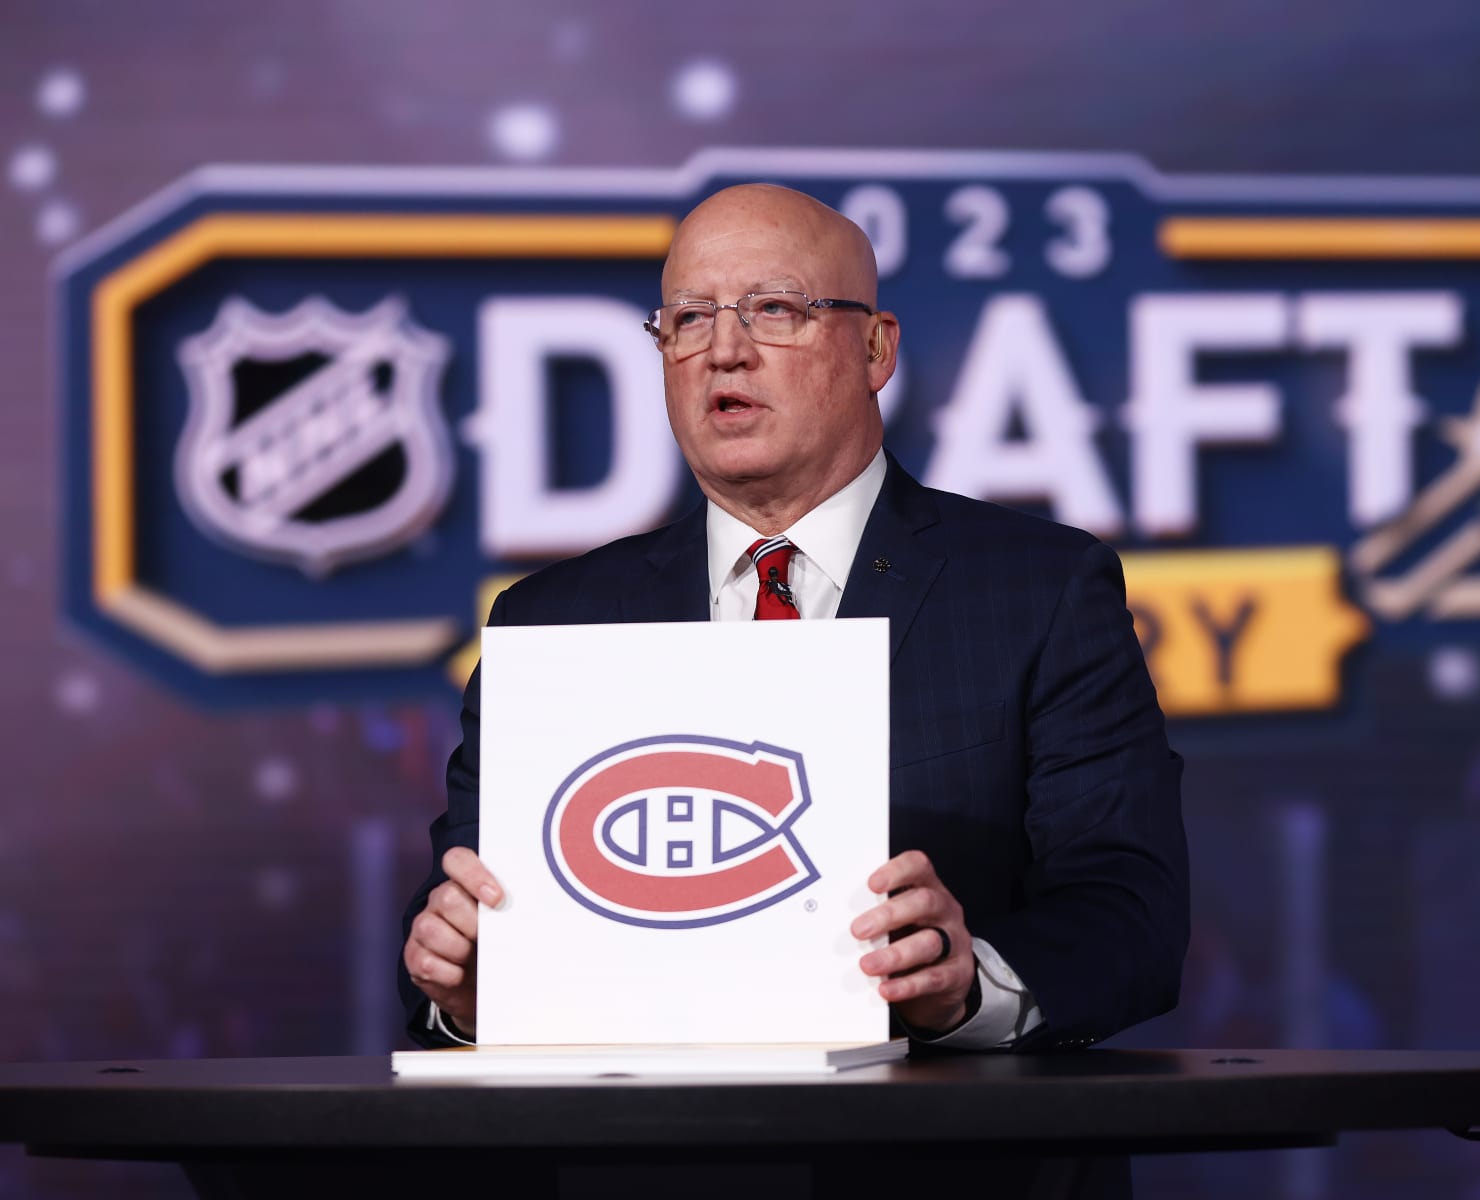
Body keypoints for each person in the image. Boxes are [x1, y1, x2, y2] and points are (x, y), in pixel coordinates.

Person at [400, 183, 1188, 1053]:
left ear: (876, 349)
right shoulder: (550, 624)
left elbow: (1130, 916)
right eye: (689, 319)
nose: (724, 352)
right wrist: (469, 992)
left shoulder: (1039, 590)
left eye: (774, 309)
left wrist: (968, 986)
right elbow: (457, 909)